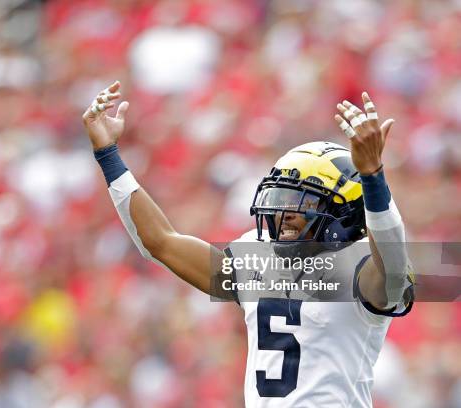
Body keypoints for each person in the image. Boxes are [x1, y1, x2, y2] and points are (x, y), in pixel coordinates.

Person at [82, 81, 414, 407]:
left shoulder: (361, 268)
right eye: (281, 199)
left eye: (300, 202)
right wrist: (108, 155)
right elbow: (160, 242)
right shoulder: (259, 258)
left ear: (342, 211)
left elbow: (394, 266)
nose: (284, 213)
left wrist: (373, 176)